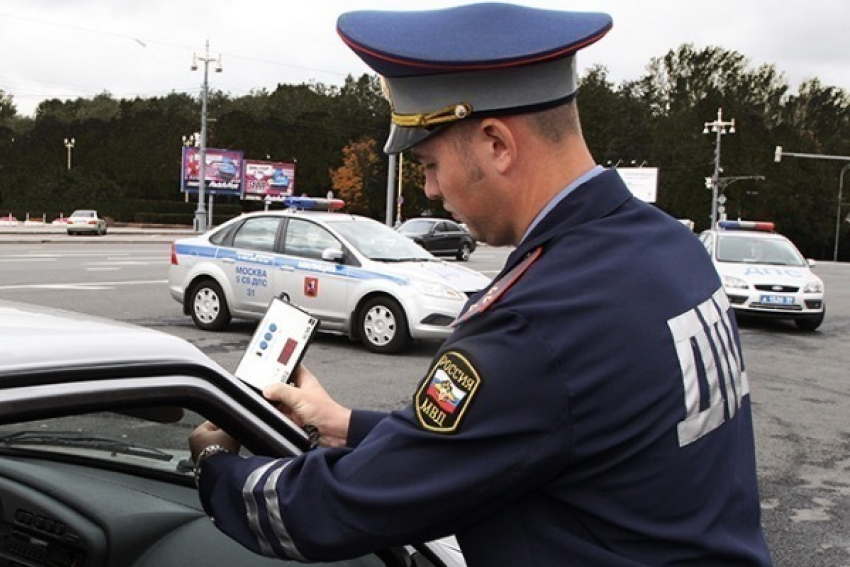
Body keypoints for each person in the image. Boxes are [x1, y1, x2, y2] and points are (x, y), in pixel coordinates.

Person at [189, 4, 773, 565]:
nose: (432, 192)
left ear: (496, 144)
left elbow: (334, 512)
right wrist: (339, 421)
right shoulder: (669, 247)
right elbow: (528, 432)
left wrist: (214, 464)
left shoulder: (537, 320)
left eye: (430, 165)